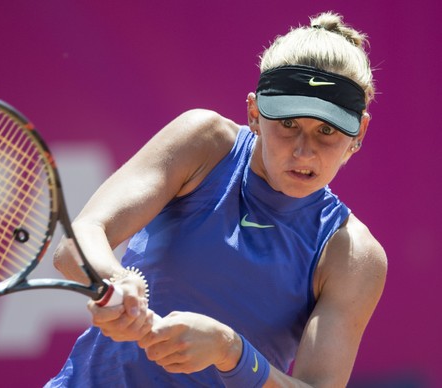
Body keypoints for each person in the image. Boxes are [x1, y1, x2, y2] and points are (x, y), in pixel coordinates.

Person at [45, 11, 387, 388]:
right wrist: (115, 283)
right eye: (288, 124)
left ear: (360, 133)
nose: (304, 151)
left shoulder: (353, 255)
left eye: (326, 131)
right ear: (254, 113)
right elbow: (78, 242)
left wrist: (231, 352)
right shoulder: (204, 143)